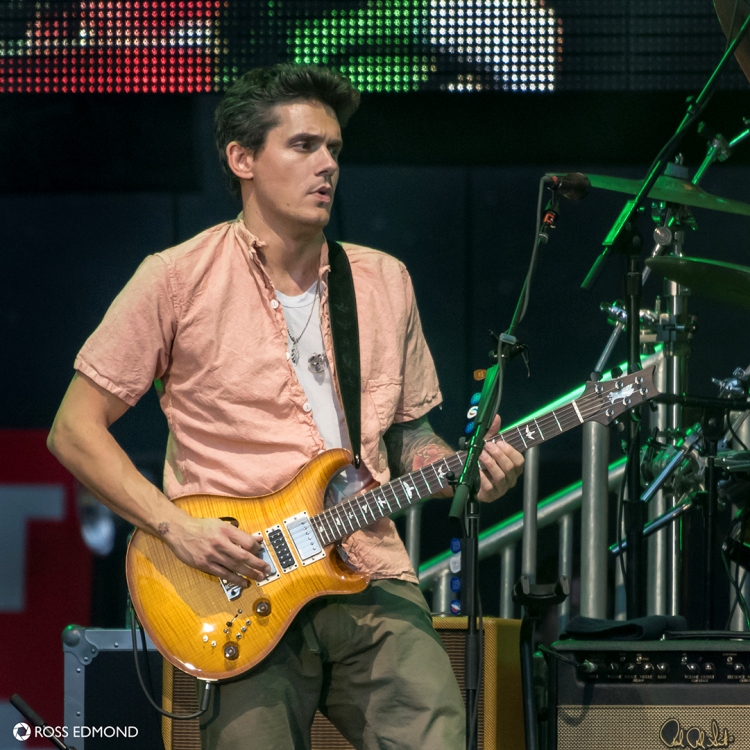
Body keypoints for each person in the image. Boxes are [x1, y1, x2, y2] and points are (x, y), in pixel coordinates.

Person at [48, 63, 525, 749]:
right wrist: (175, 529)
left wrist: (461, 468)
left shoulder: (384, 280)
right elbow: (73, 430)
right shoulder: (176, 279)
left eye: (334, 148)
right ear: (242, 159)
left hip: (369, 568)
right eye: (304, 145)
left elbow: (407, 437)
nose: (327, 164)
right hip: (238, 583)